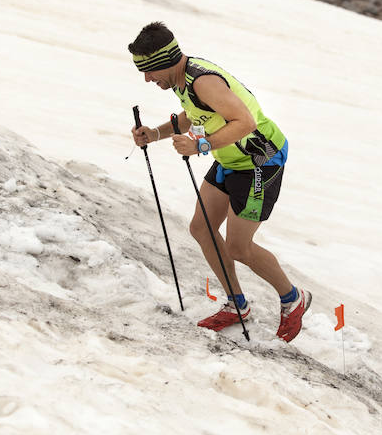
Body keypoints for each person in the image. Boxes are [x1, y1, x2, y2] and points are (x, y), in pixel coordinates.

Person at [128, 21, 311, 342]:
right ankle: (237, 305)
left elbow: (245, 121)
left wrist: (202, 145)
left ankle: (293, 299)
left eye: (148, 71)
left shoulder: (203, 82)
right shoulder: (182, 80)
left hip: (259, 162)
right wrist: (156, 133)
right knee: (201, 229)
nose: (146, 78)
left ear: (162, 62)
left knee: (239, 247)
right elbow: (194, 115)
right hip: (231, 160)